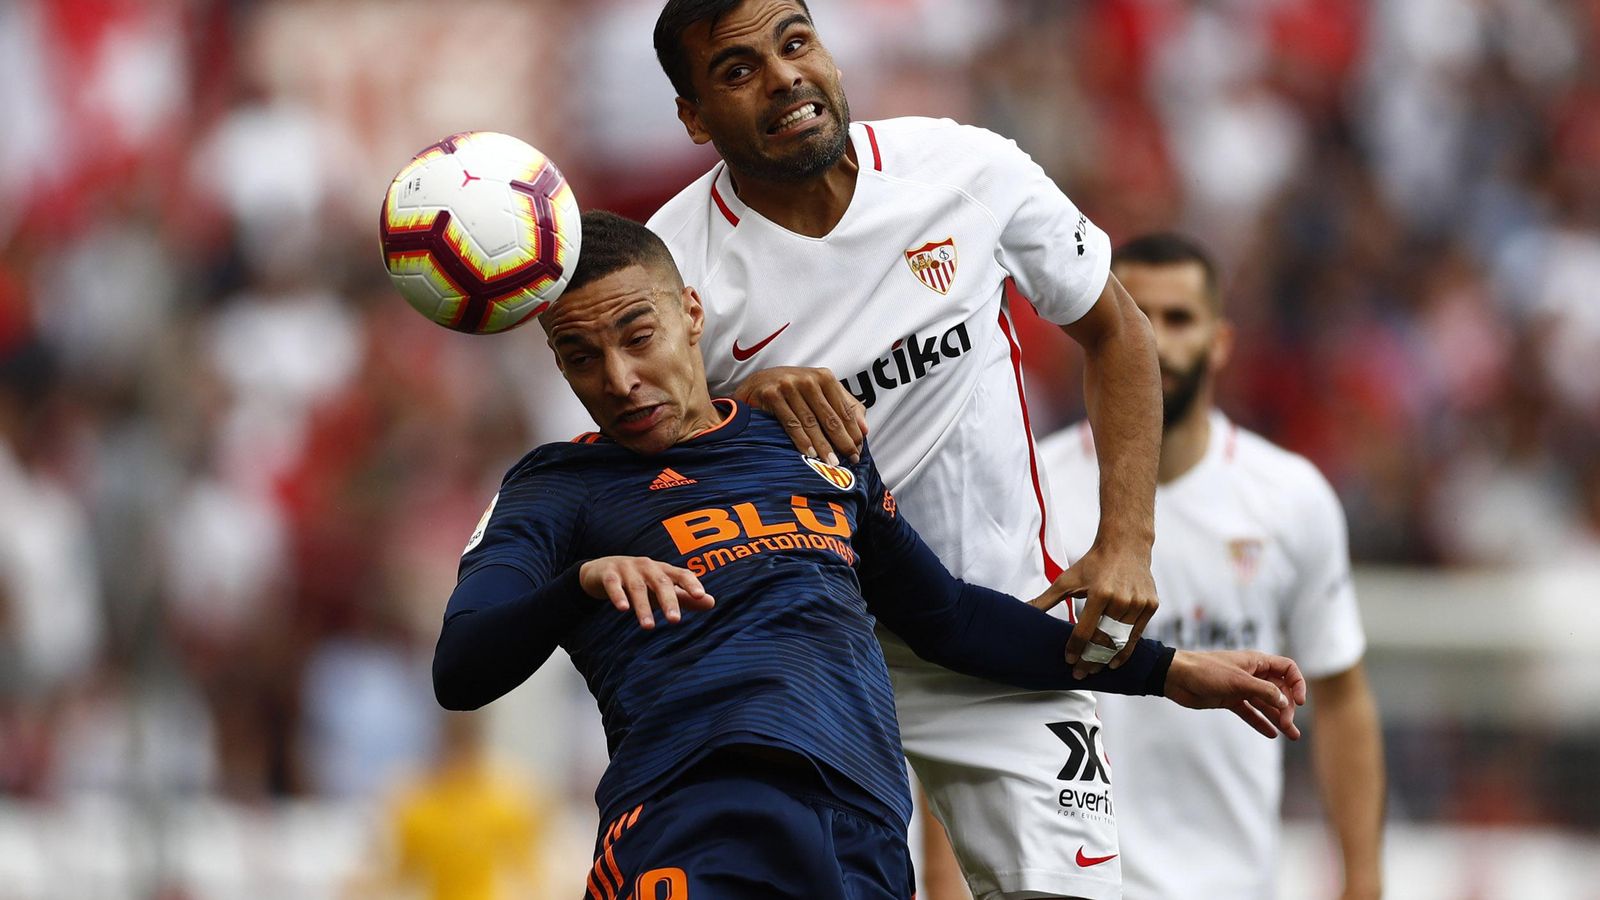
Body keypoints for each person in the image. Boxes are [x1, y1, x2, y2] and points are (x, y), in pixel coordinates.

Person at [430, 211, 1305, 897]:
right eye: (580, 358)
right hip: (691, 820)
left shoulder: (806, 444)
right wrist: (581, 585)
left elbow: (951, 618)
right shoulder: (554, 489)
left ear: (690, 314)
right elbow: (462, 665)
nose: (617, 379)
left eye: (637, 336)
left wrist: (1167, 670)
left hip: (862, 834)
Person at [646, 2, 1163, 896]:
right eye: (737, 71)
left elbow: (1119, 332)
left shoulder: (965, 170)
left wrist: (1127, 540)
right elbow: (637, 474)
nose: (784, 78)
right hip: (802, 664)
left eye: (795, 43)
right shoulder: (670, 270)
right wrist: (732, 408)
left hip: (1001, 637)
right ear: (693, 117)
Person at [1039, 233, 1386, 900]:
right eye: (1137, 317)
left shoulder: (1289, 498)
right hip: (1069, 884)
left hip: (1234, 883)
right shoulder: (1035, 488)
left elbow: (1341, 698)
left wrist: (1363, 883)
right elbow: (970, 688)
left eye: (1179, 319)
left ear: (1220, 341)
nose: (1157, 341)